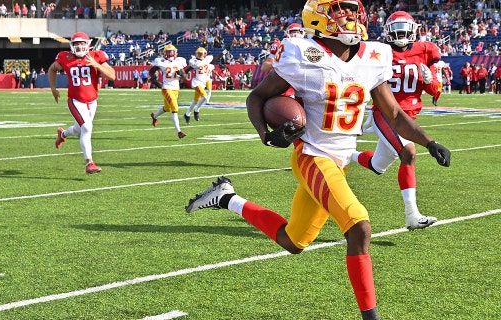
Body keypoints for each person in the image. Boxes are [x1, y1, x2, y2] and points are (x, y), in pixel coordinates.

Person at [185, 2, 451, 320]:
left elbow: (393, 113)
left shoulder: (374, 55)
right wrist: (265, 135)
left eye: (352, 12)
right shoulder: (301, 52)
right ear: (319, 19)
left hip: (339, 162)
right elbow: (256, 97)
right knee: (359, 227)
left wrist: (429, 142)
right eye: (340, 12)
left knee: (293, 240)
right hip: (312, 157)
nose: (350, 17)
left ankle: (227, 198)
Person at [352, 10, 442, 230]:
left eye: (404, 30)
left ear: (413, 31)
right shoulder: (378, 52)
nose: (401, 35)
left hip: (408, 117)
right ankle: (412, 214)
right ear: (388, 32)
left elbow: (435, 91)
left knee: (377, 166)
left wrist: (430, 80)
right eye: (396, 30)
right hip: (385, 113)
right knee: (409, 153)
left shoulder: (426, 50)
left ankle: (345, 155)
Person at [49, 32, 116, 174]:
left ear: (88, 44)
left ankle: (63, 134)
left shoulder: (96, 56)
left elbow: (112, 76)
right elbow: (52, 69)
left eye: (82, 43)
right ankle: (89, 163)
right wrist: (53, 88)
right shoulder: (65, 57)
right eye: (76, 44)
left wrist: (97, 65)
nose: (80, 46)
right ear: (72, 45)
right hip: (75, 100)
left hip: (92, 101)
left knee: (79, 130)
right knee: (86, 127)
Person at [149, 44, 187, 139]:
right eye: (168, 52)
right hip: (166, 88)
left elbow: (184, 76)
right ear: (165, 53)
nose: (170, 54)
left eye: (171, 52)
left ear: (175, 52)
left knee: (167, 108)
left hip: (176, 88)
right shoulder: (161, 62)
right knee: (175, 108)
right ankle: (179, 131)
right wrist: (155, 80)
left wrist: (181, 74)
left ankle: (154, 116)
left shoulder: (179, 61)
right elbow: (152, 71)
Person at [183, 47, 216, 124]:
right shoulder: (194, 61)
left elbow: (216, 58)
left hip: (203, 83)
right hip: (197, 82)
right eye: (199, 54)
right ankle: (197, 110)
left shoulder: (207, 60)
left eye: (201, 54)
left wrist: (225, 51)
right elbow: (188, 69)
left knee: (195, 101)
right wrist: (182, 74)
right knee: (204, 96)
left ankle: (187, 114)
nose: (200, 55)